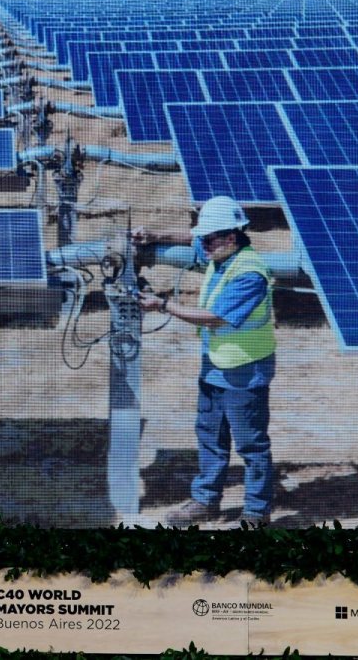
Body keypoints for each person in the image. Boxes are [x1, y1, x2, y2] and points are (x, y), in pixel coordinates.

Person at [134, 196, 276, 527]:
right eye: (204, 238)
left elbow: (213, 318)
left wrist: (163, 305)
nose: (202, 244)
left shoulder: (249, 273)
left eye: (209, 238)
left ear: (232, 237)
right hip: (216, 366)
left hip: (245, 371)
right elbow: (190, 238)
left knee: (251, 444)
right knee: (210, 436)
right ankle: (205, 501)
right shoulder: (220, 253)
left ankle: (256, 511)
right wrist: (155, 235)